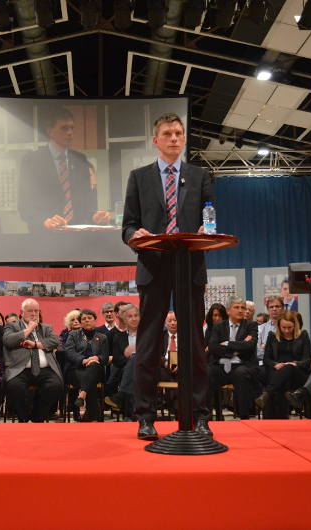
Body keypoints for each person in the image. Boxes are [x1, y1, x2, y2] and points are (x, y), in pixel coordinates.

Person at [122, 112, 215, 441]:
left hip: (189, 265)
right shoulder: (139, 177)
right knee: (147, 346)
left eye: (179, 132)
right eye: (167, 133)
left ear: (184, 137)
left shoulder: (201, 175)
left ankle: (200, 415)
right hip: (154, 266)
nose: (174, 138)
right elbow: (128, 226)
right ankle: (145, 417)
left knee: (195, 344)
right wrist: (137, 235)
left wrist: (208, 229)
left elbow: (210, 215)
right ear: (155, 140)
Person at [18, 107, 109, 231]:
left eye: (72, 128)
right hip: (45, 235)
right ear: (50, 131)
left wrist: (94, 216)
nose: (70, 132)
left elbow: (85, 204)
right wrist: (46, 221)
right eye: (64, 128)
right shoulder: (32, 160)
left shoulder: (80, 160)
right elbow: (24, 207)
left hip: (77, 234)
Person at [2, 298, 63, 423]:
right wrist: (29, 329)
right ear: (22, 312)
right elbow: (8, 341)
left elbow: (54, 341)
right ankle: (23, 418)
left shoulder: (45, 328)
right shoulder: (12, 326)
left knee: (56, 385)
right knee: (13, 387)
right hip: (20, 369)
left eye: (36, 311)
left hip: (45, 369)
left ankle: (37, 417)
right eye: (30, 311)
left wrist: (35, 344)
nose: (34, 314)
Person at [207, 296, 258, 420]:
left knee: (242, 374)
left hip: (241, 365)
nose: (241, 311)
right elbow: (213, 347)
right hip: (220, 366)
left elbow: (250, 346)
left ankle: (244, 416)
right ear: (228, 310)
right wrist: (239, 347)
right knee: (206, 372)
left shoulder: (250, 325)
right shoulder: (219, 326)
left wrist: (227, 344)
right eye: (236, 307)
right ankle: (205, 416)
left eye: (242, 308)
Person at [256, 310, 311, 419]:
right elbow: (266, 359)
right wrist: (275, 365)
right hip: (277, 370)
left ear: (295, 325)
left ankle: (267, 394)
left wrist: (295, 363)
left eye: (290, 328)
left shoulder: (303, 336)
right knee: (281, 381)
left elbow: (307, 360)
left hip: (297, 372)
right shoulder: (272, 336)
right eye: (283, 327)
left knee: (288, 368)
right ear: (278, 326)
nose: (286, 331)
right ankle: (281, 419)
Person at [64, 308, 109, 421]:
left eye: (89, 318)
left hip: (95, 368)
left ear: (95, 320)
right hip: (75, 369)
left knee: (93, 367)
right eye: (83, 319)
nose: (87, 321)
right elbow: (69, 353)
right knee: (90, 382)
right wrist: (84, 360)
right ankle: (94, 419)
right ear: (81, 322)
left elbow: (105, 356)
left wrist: (96, 358)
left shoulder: (102, 337)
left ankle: (82, 396)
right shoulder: (73, 335)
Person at [105, 304, 140, 418]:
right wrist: (132, 359)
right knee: (133, 368)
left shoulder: (147, 335)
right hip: (126, 371)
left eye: (136, 315)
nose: (134, 319)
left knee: (135, 360)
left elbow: (156, 353)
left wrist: (135, 350)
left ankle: (120, 396)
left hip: (148, 369)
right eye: (130, 316)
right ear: (124, 320)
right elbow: (117, 360)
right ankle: (134, 414)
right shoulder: (118, 337)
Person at [257, 296, 284, 379]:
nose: (274, 309)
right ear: (268, 309)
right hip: (265, 365)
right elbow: (257, 352)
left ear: (282, 308)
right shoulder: (260, 329)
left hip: (284, 363)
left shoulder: (288, 327)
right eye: (271, 307)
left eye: (277, 306)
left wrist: (265, 346)